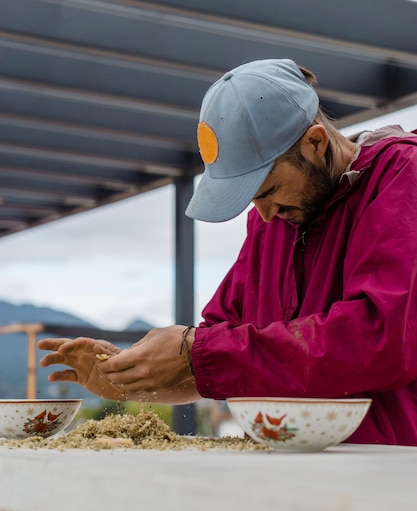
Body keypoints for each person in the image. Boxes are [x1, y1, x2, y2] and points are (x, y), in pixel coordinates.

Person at [38, 58, 417, 445]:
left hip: (392, 476)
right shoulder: (270, 222)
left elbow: (381, 339)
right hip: (294, 478)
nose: (265, 215)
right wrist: (133, 375)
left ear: (315, 143)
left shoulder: (404, 174)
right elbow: (220, 355)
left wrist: (195, 352)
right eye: (251, 200)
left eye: (267, 191)